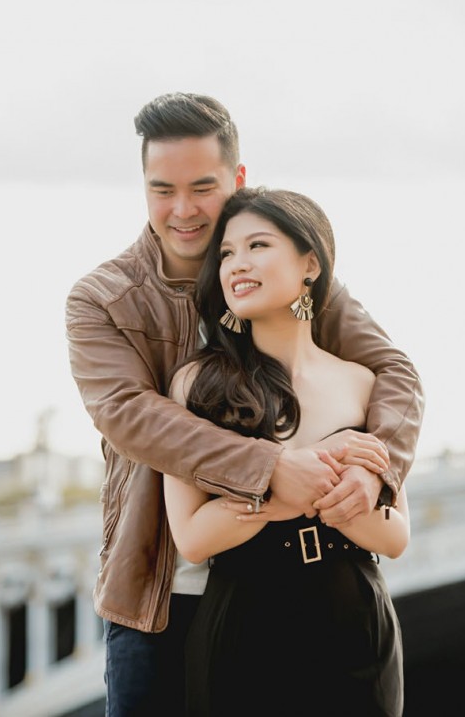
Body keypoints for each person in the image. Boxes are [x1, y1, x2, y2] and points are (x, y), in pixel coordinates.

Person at [65, 92, 424, 716]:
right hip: (163, 596)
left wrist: (376, 471)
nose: (182, 210)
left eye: (202, 188)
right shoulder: (103, 299)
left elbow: (395, 374)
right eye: (162, 190)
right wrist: (271, 469)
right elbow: (130, 416)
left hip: (304, 593)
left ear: (237, 179)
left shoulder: (289, 273)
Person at [165, 186, 409, 716]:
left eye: (258, 245)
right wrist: (290, 484)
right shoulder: (196, 385)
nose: (237, 264)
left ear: (310, 264)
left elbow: (394, 536)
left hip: (355, 628)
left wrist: (296, 486)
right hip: (243, 628)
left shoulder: (362, 383)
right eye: (226, 253)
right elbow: (193, 538)